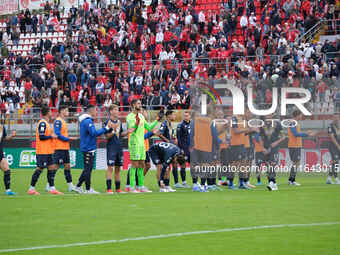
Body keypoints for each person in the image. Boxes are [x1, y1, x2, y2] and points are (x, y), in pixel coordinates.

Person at [75, 105, 113, 194]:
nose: (96, 112)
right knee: (88, 169)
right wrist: (106, 128)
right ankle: (88, 189)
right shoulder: (88, 121)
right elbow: (94, 133)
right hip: (88, 148)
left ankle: (78, 186)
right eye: (95, 110)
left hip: (88, 147)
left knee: (87, 169)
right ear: (91, 111)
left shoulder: (86, 120)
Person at [126, 99, 160, 193]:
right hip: (134, 144)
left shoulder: (141, 116)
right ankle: (132, 187)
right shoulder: (129, 117)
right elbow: (132, 129)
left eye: (140, 103)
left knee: (142, 165)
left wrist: (157, 120)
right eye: (138, 103)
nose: (140, 105)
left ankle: (140, 186)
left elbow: (148, 127)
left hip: (142, 144)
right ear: (133, 105)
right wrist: (136, 124)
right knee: (134, 165)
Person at [27, 106, 61, 195]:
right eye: (50, 111)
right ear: (47, 113)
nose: (52, 113)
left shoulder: (46, 123)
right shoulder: (42, 123)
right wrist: (51, 136)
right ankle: (31, 189)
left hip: (48, 151)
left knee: (51, 168)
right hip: (42, 151)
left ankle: (52, 189)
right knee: (40, 169)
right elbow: (41, 137)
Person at [47, 105, 77, 192]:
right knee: (55, 167)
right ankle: (49, 185)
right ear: (62, 111)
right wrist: (69, 138)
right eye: (67, 110)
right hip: (58, 147)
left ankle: (70, 186)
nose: (68, 112)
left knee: (67, 166)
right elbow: (57, 134)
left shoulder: (63, 121)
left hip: (65, 147)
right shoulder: (58, 121)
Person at [287, 110, 317, 186]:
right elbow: (295, 134)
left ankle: (291, 180)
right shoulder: (293, 123)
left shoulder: (295, 123)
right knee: (296, 163)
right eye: (300, 115)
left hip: (295, 145)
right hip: (294, 146)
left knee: (296, 163)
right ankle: (291, 180)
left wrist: (307, 134)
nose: (301, 116)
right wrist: (306, 134)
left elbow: (296, 134)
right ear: (297, 115)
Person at [257, 116, 287, 191]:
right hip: (265, 148)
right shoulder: (262, 125)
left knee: (272, 165)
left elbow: (283, 137)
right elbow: (260, 137)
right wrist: (262, 148)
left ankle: (271, 182)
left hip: (274, 148)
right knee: (267, 166)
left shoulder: (278, 124)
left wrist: (276, 143)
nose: (268, 115)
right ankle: (273, 183)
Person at [104, 104, 128, 194]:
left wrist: (128, 132)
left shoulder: (119, 122)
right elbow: (106, 136)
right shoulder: (107, 122)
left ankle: (118, 189)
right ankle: (109, 189)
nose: (117, 111)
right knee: (110, 168)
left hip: (119, 147)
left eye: (118, 109)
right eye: (115, 109)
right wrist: (113, 131)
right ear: (111, 111)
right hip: (111, 148)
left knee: (118, 169)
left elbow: (120, 134)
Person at [176, 110, 192, 188]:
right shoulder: (180, 125)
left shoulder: (192, 124)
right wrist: (180, 148)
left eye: (187, 115)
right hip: (184, 149)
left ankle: (195, 182)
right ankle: (184, 182)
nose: (186, 117)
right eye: (184, 116)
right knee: (183, 165)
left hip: (192, 148)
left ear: (190, 116)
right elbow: (178, 138)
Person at [0, 124, 16, 195]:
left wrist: (11, 136)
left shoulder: (2, 127)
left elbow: (5, 137)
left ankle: (8, 190)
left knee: (7, 170)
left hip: (0, 153)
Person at [327, 113, 340, 185]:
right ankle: (336, 178)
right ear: (332, 118)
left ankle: (329, 178)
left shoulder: (339, 126)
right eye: (335, 117)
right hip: (333, 146)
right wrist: (338, 146)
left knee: (336, 162)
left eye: (338, 117)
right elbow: (332, 137)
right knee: (335, 161)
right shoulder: (330, 126)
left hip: (338, 146)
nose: (336, 118)